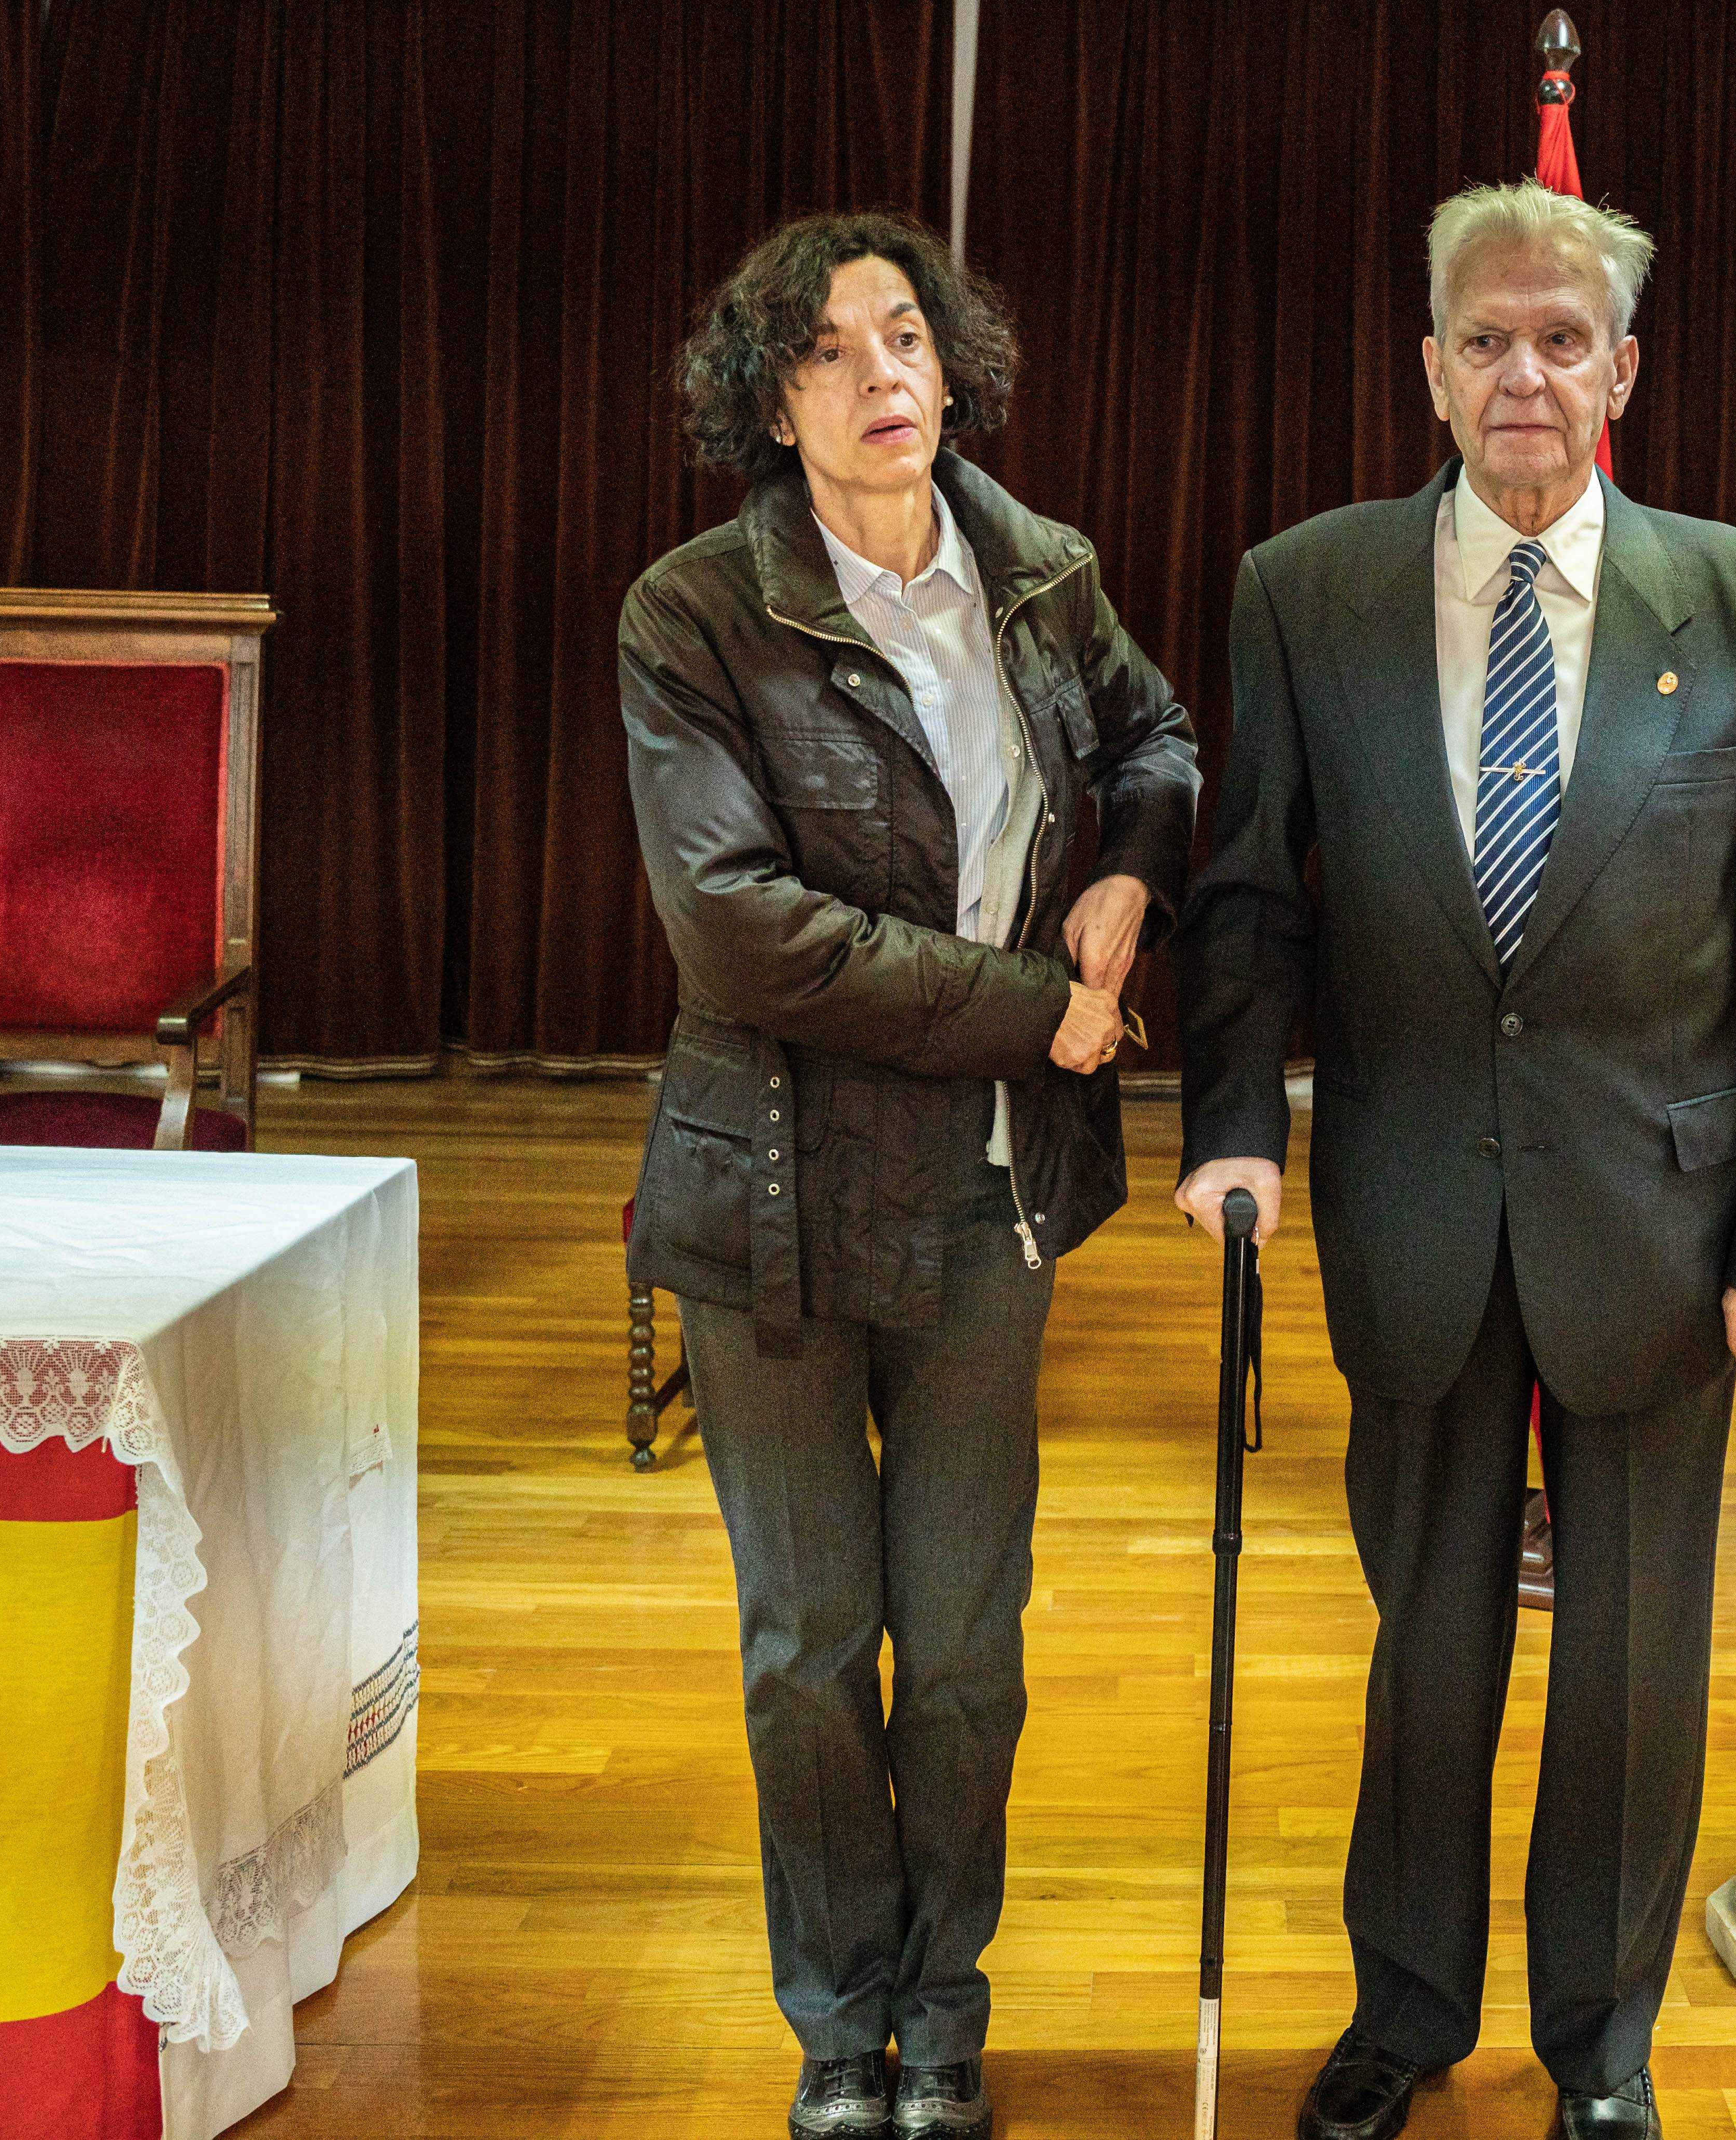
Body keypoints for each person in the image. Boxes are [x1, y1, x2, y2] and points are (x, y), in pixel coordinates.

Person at [1175, 180, 1736, 2140]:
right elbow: (1245, 906)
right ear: (1430, 366)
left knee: (1633, 1672)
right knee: (1430, 1649)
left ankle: (1604, 2048)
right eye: (1486, 339)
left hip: (1660, 1217)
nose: (1525, 374)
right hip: (1410, 1206)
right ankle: (1404, 2011)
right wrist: (1235, 1132)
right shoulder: (1305, 587)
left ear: (1624, 368)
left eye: (1564, 339)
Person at [620, 210, 1199, 2140]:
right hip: (767, 1200)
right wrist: (1037, 1006)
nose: (881, 376)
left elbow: (1161, 737)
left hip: (984, 1202)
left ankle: (942, 2017)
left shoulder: (1041, 576)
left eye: (906, 339)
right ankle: (833, 2027)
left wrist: (1125, 860)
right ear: (767, 403)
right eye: (828, 351)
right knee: (807, 1651)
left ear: (953, 368)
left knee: (957, 1651)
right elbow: (737, 932)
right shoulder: (694, 613)